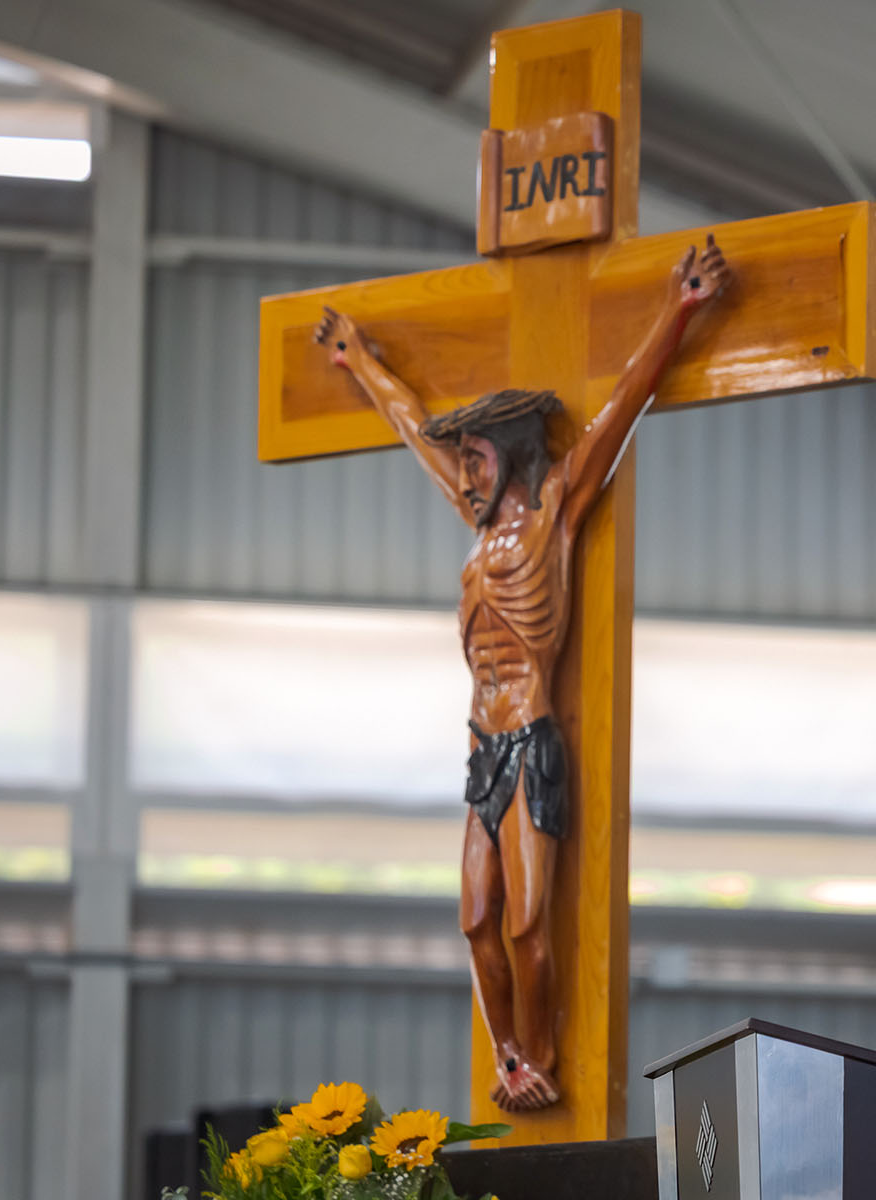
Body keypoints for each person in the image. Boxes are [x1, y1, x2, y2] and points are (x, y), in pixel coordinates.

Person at [314, 236, 732, 1112]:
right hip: (480, 746)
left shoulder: (554, 518)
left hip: (534, 739)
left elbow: (619, 409)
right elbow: (408, 425)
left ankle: (541, 1051)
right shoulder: (476, 529)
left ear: (507, 453)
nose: (462, 473)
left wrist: (679, 309)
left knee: (528, 922)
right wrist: (360, 364)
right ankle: (507, 1053)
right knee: (475, 919)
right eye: (459, 460)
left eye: (473, 457)